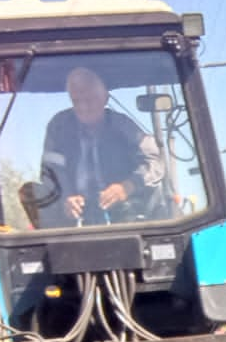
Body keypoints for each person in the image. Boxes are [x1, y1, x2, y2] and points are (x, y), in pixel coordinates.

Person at [35, 67, 163, 227]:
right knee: (32, 191)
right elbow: (50, 169)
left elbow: (155, 162)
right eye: (76, 101)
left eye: (89, 100)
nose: (83, 107)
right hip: (74, 214)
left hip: (123, 211)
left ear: (105, 98)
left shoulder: (123, 126)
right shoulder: (59, 126)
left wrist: (128, 186)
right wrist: (66, 197)